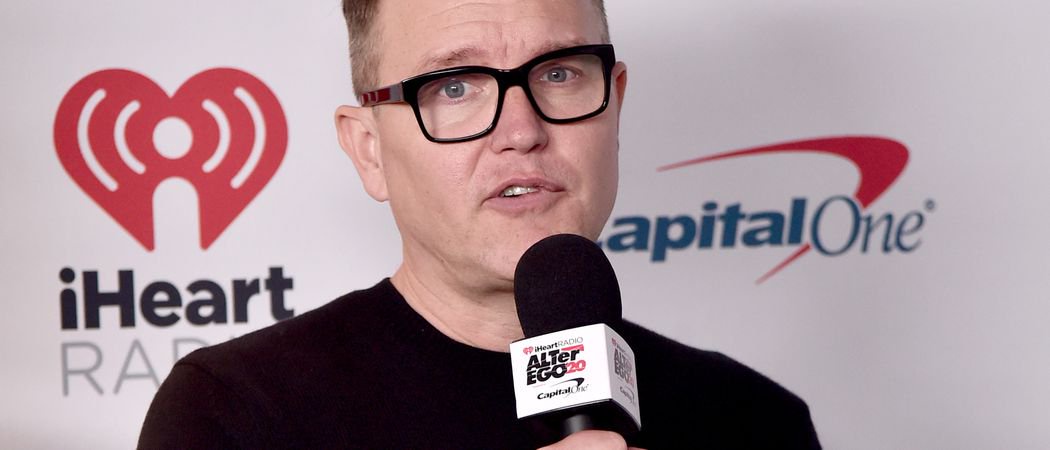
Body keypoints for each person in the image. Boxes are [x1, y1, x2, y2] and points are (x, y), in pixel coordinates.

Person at [138, 0, 821, 448]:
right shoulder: (236, 414)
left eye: (558, 74)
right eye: (455, 87)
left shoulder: (753, 420)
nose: (522, 131)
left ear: (615, 106)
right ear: (369, 150)